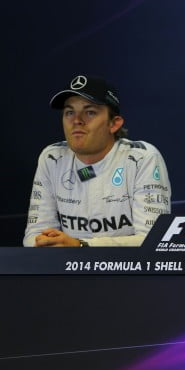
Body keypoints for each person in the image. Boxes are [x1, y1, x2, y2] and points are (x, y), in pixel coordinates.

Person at [23, 75, 171, 247]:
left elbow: (153, 240)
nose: (76, 120)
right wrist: (45, 243)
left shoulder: (142, 159)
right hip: (66, 268)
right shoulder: (52, 158)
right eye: (69, 112)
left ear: (114, 124)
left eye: (90, 112)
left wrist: (80, 246)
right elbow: (34, 233)